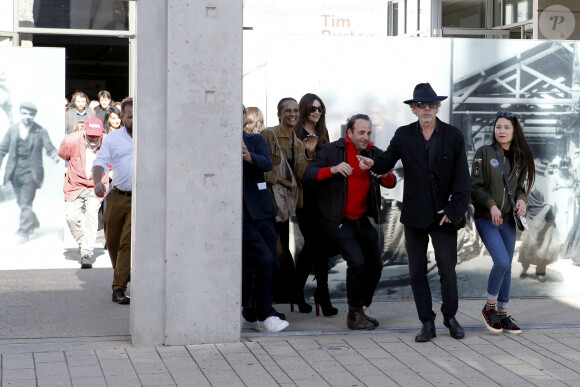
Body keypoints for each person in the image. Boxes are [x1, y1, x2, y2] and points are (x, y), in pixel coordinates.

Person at [358, 83, 471, 341]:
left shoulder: (453, 135)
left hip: (444, 215)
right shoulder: (404, 135)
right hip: (415, 215)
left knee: (448, 271)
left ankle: (450, 317)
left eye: (431, 104)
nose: (427, 108)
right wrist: (371, 163)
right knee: (416, 271)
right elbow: (386, 161)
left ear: (438, 106)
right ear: (413, 109)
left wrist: (454, 211)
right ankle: (427, 323)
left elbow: (462, 180)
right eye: (421, 104)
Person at [303, 114, 396, 330]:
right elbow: (309, 175)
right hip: (337, 219)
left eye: (369, 133)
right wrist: (333, 169)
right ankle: (354, 314)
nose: (365, 137)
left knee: (375, 265)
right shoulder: (331, 150)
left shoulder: (373, 153)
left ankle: (359, 308)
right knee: (358, 262)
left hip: (361, 219)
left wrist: (382, 175)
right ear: (350, 133)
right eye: (361, 133)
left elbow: (391, 180)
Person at [471, 111, 535, 334]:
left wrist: (522, 199)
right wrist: (491, 204)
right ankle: (489, 308)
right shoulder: (484, 152)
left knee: (507, 266)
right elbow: (475, 186)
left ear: (514, 130)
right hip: (487, 218)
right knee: (501, 261)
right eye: (498, 127)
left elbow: (520, 186)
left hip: (508, 220)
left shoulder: (519, 157)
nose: (501, 131)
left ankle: (503, 313)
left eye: (506, 127)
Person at [261, 97, 317, 306]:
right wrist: (281, 180)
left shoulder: (300, 143)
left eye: (295, 110)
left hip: (284, 206)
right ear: (279, 114)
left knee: (281, 249)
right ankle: (289, 296)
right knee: (277, 251)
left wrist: (310, 152)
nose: (292, 114)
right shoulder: (269, 135)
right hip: (268, 203)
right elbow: (260, 168)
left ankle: (288, 296)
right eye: (287, 111)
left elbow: (301, 174)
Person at [241, 105, 289, 332]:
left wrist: (249, 157)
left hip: (262, 211)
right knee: (261, 259)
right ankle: (264, 314)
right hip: (238, 215)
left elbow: (267, 164)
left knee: (270, 261)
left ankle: (251, 312)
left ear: (244, 119)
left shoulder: (254, 140)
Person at [293, 93, 338, 316]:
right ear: (304, 110)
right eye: (312, 109)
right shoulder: (297, 132)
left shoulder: (322, 132)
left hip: (323, 196)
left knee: (315, 247)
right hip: (305, 197)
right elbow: (298, 170)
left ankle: (299, 291)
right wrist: (309, 153)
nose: (317, 113)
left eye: (320, 109)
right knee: (315, 246)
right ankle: (321, 294)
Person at [0, 102, 60, 242]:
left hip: (32, 172)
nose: (27, 117)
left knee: (26, 202)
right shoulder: (13, 130)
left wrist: (55, 157)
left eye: (31, 114)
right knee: (21, 202)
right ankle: (33, 221)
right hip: (14, 172)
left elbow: (49, 147)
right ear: (20, 113)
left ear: (34, 116)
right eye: (25, 113)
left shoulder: (40, 131)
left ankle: (24, 231)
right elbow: (2, 149)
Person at [92, 98, 133, 304]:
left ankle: (118, 287)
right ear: (122, 118)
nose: (133, 120)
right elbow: (100, 162)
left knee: (127, 242)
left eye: (136, 116)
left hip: (139, 199)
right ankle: (124, 271)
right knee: (113, 240)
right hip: (117, 195)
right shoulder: (113, 139)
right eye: (129, 117)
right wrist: (97, 181)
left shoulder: (152, 137)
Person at [59, 117, 109, 268]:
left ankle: (86, 252)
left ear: (101, 133)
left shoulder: (108, 142)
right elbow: (63, 154)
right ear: (85, 132)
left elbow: (112, 161)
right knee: (71, 217)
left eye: (96, 135)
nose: (93, 138)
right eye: (91, 135)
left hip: (96, 185)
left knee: (92, 217)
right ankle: (83, 243)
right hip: (75, 185)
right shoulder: (71, 141)